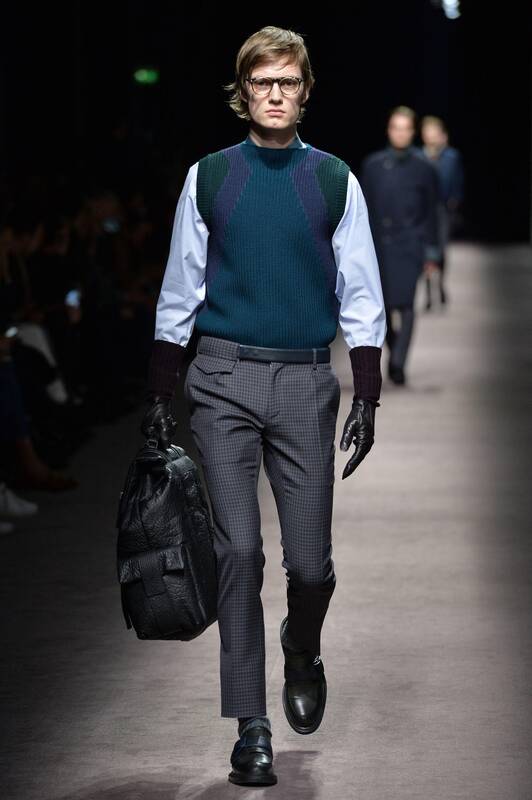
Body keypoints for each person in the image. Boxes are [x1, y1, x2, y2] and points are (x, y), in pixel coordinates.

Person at [140, 26, 386, 787]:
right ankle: (251, 724)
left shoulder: (334, 180)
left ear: (305, 92)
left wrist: (368, 390)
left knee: (309, 564)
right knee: (238, 553)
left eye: (287, 82)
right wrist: (160, 389)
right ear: (242, 90)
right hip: (221, 378)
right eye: (261, 82)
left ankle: (302, 644)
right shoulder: (211, 176)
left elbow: (360, 286)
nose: (274, 94)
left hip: (306, 382)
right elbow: (181, 284)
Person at [360, 106, 441, 385]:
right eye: (396, 127)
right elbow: (364, 210)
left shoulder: (424, 169)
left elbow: (431, 212)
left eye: (405, 128)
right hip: (379, 248)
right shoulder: (372, 166)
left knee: (405, 304)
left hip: (409, 245)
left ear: (412, 132)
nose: (400, 133)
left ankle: (398, 362)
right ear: (388, 130)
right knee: (382, 307)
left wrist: (431, 251)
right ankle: (394, 350)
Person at [419, 115, 464, 309]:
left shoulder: (451, 157)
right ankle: (429, 292)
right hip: (422, 210)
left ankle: (441, 284)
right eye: (427, 131)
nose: (430, 135)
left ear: (440, 134)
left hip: (443, 209)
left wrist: (455, 201)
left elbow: (457, 181)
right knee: (426, 251)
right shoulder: (419, 156)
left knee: (442, 250)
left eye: (434, 131)